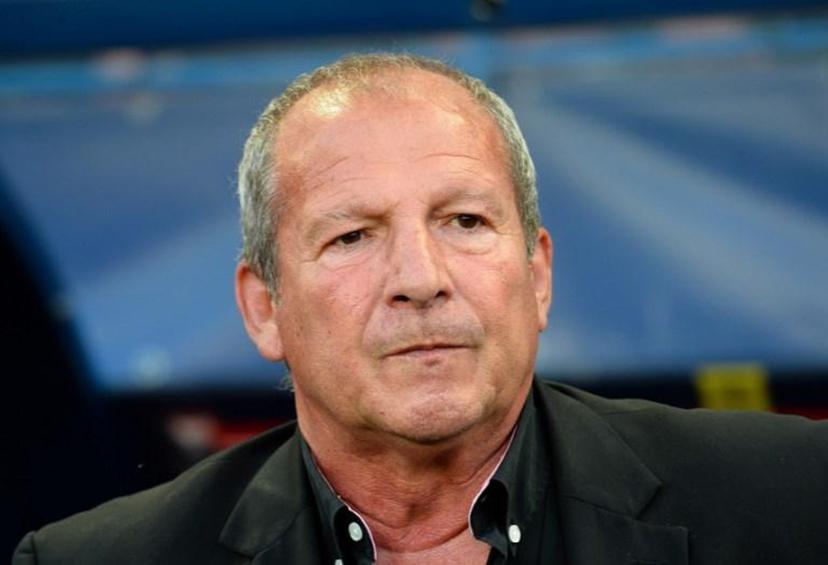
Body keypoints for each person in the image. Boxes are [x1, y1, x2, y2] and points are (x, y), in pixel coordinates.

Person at [12, 53, 828, 565]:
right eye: (354, 236)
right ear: (264, 309)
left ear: (538, 275)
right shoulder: (100, 557)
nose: (420, 276)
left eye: (464, 221)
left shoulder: (791, 497)